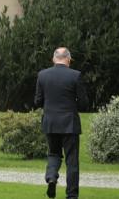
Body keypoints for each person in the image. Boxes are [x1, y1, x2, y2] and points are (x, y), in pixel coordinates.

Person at [35, 46, 90, 199]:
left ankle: (52, 177)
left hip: (50, 122)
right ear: (68, 59)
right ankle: (71, 195)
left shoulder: (42, 75)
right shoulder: (75, 75)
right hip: (69, 124)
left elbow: (37, 101)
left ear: (54, 59)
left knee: (53, 153)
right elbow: (84, 103)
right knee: (72, 161)